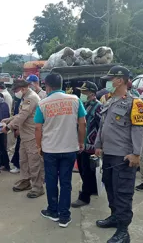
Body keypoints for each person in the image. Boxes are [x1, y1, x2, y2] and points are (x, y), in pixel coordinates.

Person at [94, 66, 143, 243]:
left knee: (123, 193)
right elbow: (103, 125)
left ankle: (123, 231)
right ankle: (115, 217)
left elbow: (139, 130)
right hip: (108, 154)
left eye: (111, 79)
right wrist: (99, 144)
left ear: (120, 80)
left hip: (123, 156)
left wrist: (136, 154)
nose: (107, 82)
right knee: (110, 188)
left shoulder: (135, 103)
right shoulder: (109, 100)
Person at [34, 73, 87, 228]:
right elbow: (82, 123)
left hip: (50, 149)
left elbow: (38, 128)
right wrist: (81, 142)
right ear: (62, 84)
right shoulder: (75, 100)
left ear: (47, 86)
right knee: (66, 182)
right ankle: (64, 216)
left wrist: (39, 146)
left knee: (51, 181)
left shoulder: (43, 104)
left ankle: (53, 211)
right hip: (70, 147)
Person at [2, 79, 44, 198]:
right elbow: (21, 114)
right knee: (23, 161)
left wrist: (9, 127)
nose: (15, 92)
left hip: (32, 136)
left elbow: (23, 115)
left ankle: (38, 187)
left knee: (34, 163)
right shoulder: (25, 97)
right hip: (25, 135)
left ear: (23, 88)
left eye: (16, 90)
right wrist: (9, 119)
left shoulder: (31, 98)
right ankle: (26, 181)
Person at [71, 81, 102, 208]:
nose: (81, 94)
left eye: (84, 92)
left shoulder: (98, 106)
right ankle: (92, 189)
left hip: (90, 145)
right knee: (85, 170)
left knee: (86, 171)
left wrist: (99, 144)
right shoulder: (83, 104)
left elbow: (102, 126)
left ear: (92, 93)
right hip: (81, 144)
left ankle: (85, 197)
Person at [10, 96, 22, 174]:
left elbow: (21, 116)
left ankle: (18, 166)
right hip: (19, 127)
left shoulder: (29, 99)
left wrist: (17, 128)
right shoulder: (19, 100)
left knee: (19, 148)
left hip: (23, 129)